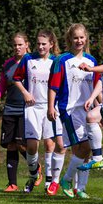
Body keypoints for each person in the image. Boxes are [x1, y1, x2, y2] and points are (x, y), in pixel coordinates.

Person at [47, 23, 100, 199]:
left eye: (81, 37)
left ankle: (81, 188)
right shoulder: (61, 60)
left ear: (86, 39)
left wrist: (100, 108)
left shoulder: (92, 61)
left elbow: (96, 87)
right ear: (70, 39)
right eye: (75, 37)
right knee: (83, 148)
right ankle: (66, 180)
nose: (79, 40)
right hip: (69, 111)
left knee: (86, 150)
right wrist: (50, 106)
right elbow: (53, 86)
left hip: (88, 111)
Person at [13, 29, 63, 193]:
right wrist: (25, 93)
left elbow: (60, 85)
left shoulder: (56, 61)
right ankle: (34, 175)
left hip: (50, 107)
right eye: (38, 44)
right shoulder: (28, 58)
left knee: (50, 144)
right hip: (32, 107)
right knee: (32, 145)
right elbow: (16, 78)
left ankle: (49, 183)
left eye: (44, 44)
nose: (41, 47)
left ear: (51, 44)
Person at [0, 32, 30, 192]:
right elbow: (2, 83)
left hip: (26, 109)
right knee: (10, 145)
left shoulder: (32, 62)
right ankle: (12, 183)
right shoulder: (8, 64)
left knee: (21, 145)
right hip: (9, 109)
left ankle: (35, 167)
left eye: (20, 44)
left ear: (27, 45)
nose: (17, 47)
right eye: (15, 45)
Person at [76, 33, 103, 171]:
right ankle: (98, 158)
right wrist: (91, 98)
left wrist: (91, 69)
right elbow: (102, 82)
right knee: (91, 116)